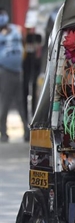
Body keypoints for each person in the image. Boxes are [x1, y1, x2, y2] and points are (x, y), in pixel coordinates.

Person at [0, 8, 29, 143]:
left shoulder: (16, 29)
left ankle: (27, 132)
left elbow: (23, 44)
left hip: (18, 71)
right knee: (4, 103)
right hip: (5, 71)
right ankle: (4, 134)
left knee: (20, 103)